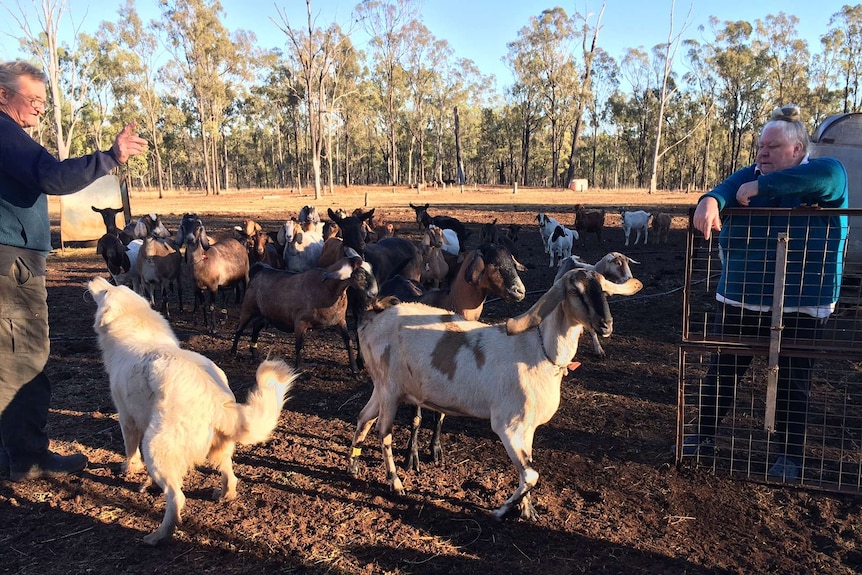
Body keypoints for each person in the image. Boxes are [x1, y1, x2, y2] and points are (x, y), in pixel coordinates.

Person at [679, 104, 849, 480]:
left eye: (772, 146)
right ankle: (702, 436)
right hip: (743, 298)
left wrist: (762, 187)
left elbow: (828, 178)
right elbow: (724, 189)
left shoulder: (826, 172)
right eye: (760, 145)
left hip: (802, 305)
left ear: (798, 150)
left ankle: (789, 455)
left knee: (793, 381)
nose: (762, 152)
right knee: (723, 371)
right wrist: (710, 200)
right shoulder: (749, 175)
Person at [0, 60, 148, 481]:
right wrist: (109, 157)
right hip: (11, 262)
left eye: (44, 103)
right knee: (23, 355)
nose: (40, 109)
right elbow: (51, 175)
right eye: (33, 99)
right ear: (2, 95)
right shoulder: (5, 133)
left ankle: (9, 451)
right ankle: (28, 459)